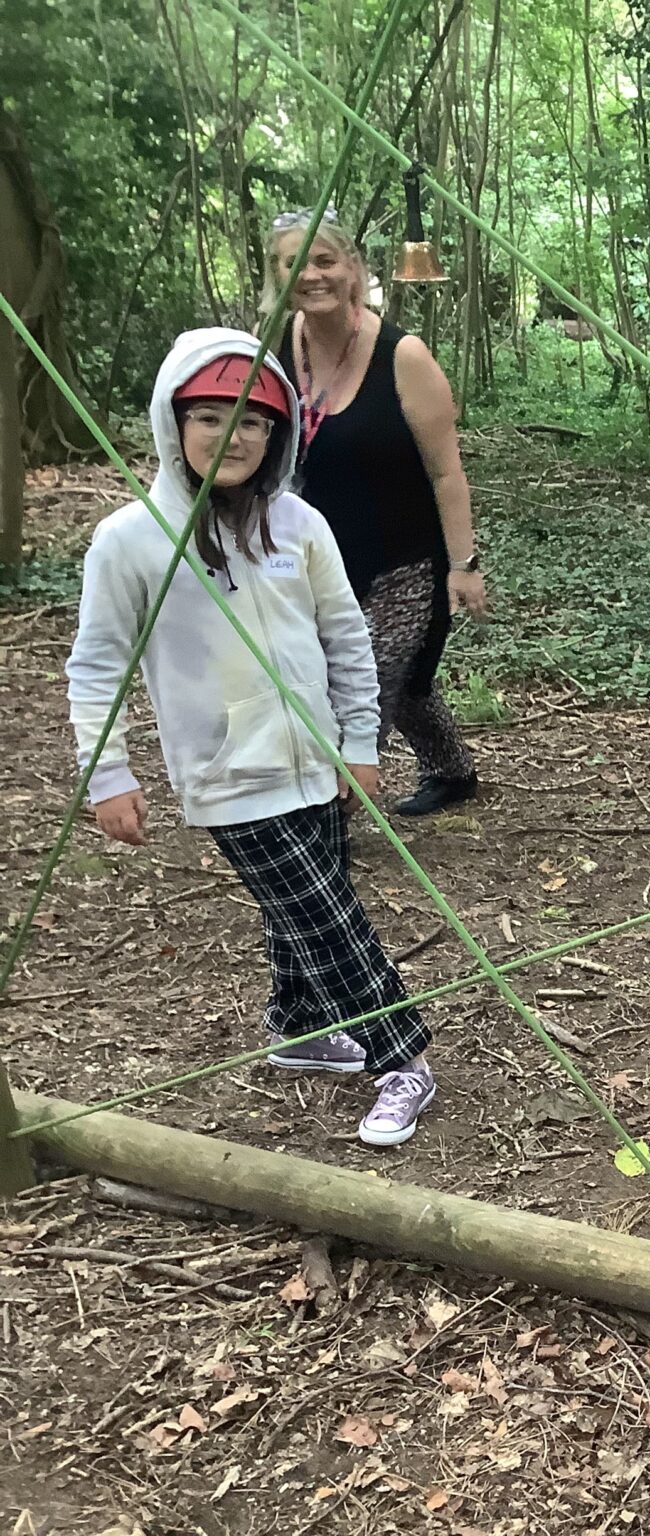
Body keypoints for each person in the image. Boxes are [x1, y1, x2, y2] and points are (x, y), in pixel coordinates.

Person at [66, 329, 438, 1146]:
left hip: (319, 758)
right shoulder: (130, 541)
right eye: (211, 415)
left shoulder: (297, 523)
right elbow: (97, 666)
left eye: (255, 421)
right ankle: (401, 1052)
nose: (233, 435)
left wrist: (361, 742)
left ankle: (299, 1025)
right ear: (174, 421)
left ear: (277, 436)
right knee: (324, 912)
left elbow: (344, 636)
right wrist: (108, 776)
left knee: (299, 908)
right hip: (227, 771)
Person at [266, 210, 485, 817]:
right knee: (406, 686)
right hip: (311, 559)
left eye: (325, 260)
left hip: (402, 565)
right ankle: (453, 771)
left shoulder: (403, 356)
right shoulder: (275, 346)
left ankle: (322, 821)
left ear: (354, 270)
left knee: (363, 690)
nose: (311, 275)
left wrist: (463, 565)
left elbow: (447, 472)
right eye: (295, 263)